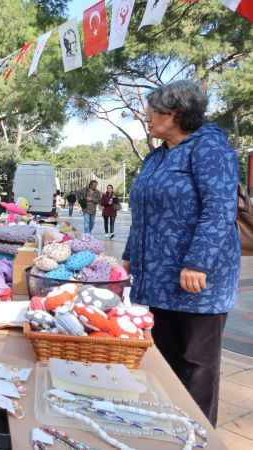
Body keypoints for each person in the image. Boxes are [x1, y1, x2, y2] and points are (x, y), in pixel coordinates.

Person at [122, 80, 240, 426]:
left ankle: (199, 434)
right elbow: (144, 210)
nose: (147, 119)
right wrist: (130, 254)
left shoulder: (210, 149)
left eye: (151, 113)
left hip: (197, 281)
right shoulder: (159, 155)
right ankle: (166, 428)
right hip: (159, 277)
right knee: (163, 359)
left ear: (173, 114)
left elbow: (219, 209)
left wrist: (197, 261)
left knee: (196, 365)